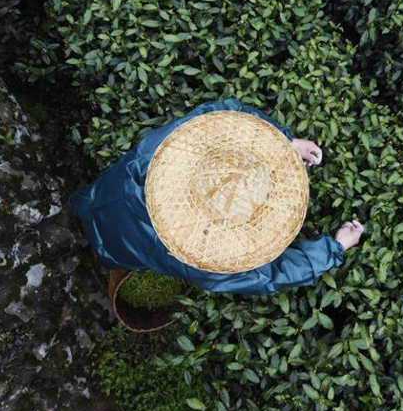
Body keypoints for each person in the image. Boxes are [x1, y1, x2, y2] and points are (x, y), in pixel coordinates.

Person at [70, 99, 364, 295]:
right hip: (122, 253)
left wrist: (286, 140)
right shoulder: (200, 261)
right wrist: (334, 248)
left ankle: (76, 213)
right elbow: (270, 275)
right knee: (119, 252)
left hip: (97, 196)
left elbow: (220, 113)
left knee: (90, 208)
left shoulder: (160, 149)